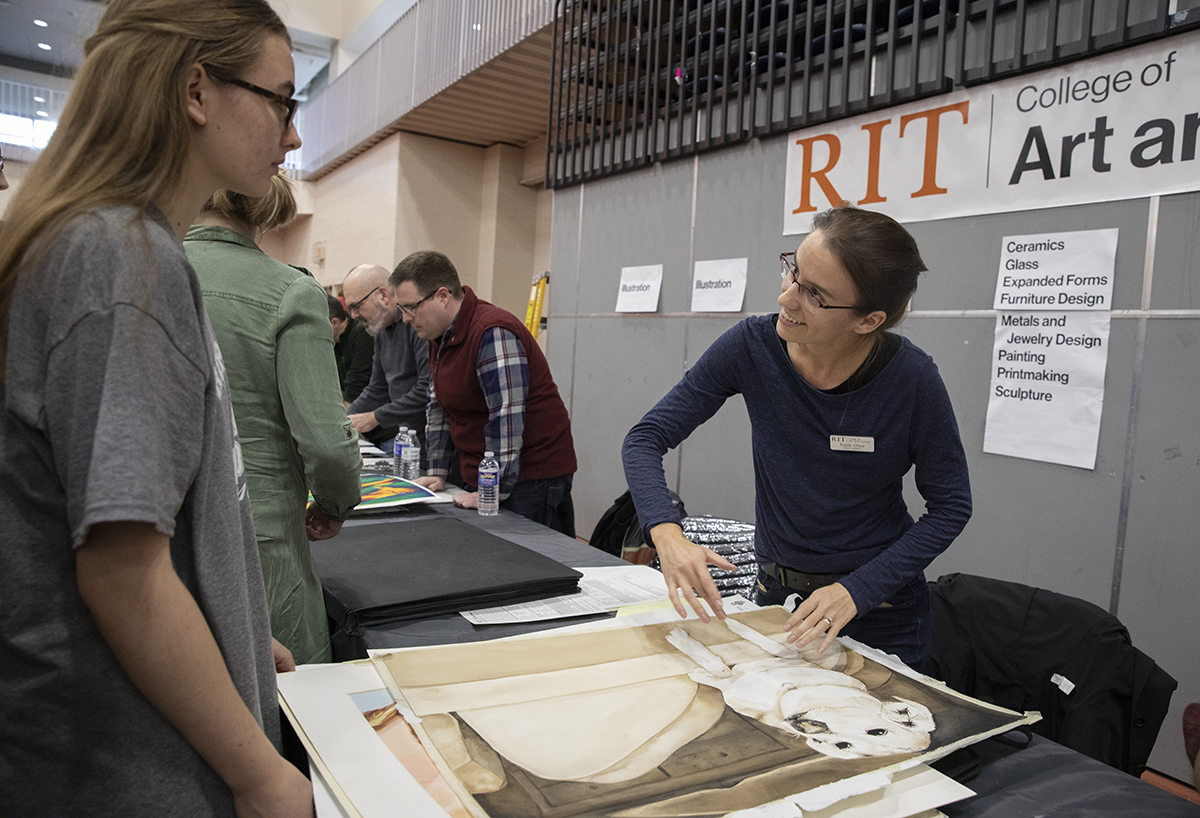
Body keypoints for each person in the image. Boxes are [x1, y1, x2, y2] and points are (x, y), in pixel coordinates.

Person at [0, 1, 314, 814]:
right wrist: (261, 774)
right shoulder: (120, 257)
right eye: (282, 100)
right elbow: (123, 573)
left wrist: (234, 635)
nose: (293, 135)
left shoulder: (117, 246)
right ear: (197, 91)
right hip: (124, 767)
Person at [622, 205, 971, 668]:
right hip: (778, 600)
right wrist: (666, 532)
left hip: (879, 612)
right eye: (793, 273)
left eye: (815, 295)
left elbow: (950, 507)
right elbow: (646, 438)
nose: (787, 298)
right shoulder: (752, 346)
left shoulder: (912, 379)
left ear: (868, 321)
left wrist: (856, 591)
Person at [185, 175, 361, 665]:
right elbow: (327, 444)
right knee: (289, 713)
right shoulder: (289, 290)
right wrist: (334, 505)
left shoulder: (139, 269)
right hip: (258, 544)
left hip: (156, 547)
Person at [392, 251, 578, 535]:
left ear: (442, 296)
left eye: (410, 307)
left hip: (531, 477)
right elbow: (439, 406)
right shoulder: (438, 335)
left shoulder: (492, 331)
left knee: (523, 566)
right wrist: (438, 472)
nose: (405, 318)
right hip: (487, 473)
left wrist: (493, 489)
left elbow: (506, 416)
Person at [342, 263, 430, 451]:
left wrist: (374, 418)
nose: (353, 315)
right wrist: (343, 422)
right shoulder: (381, 330)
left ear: (382, 295)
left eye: (356, 306)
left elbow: (427, 389)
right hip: (407, 440)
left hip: (430, 440)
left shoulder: (416, 324)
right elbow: (377, 389)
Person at [328, 292, 374, 405]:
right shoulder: (333, 341)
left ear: (334, 323)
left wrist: (343, 419)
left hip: (366, 406)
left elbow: (356, 383)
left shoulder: (362, 333)